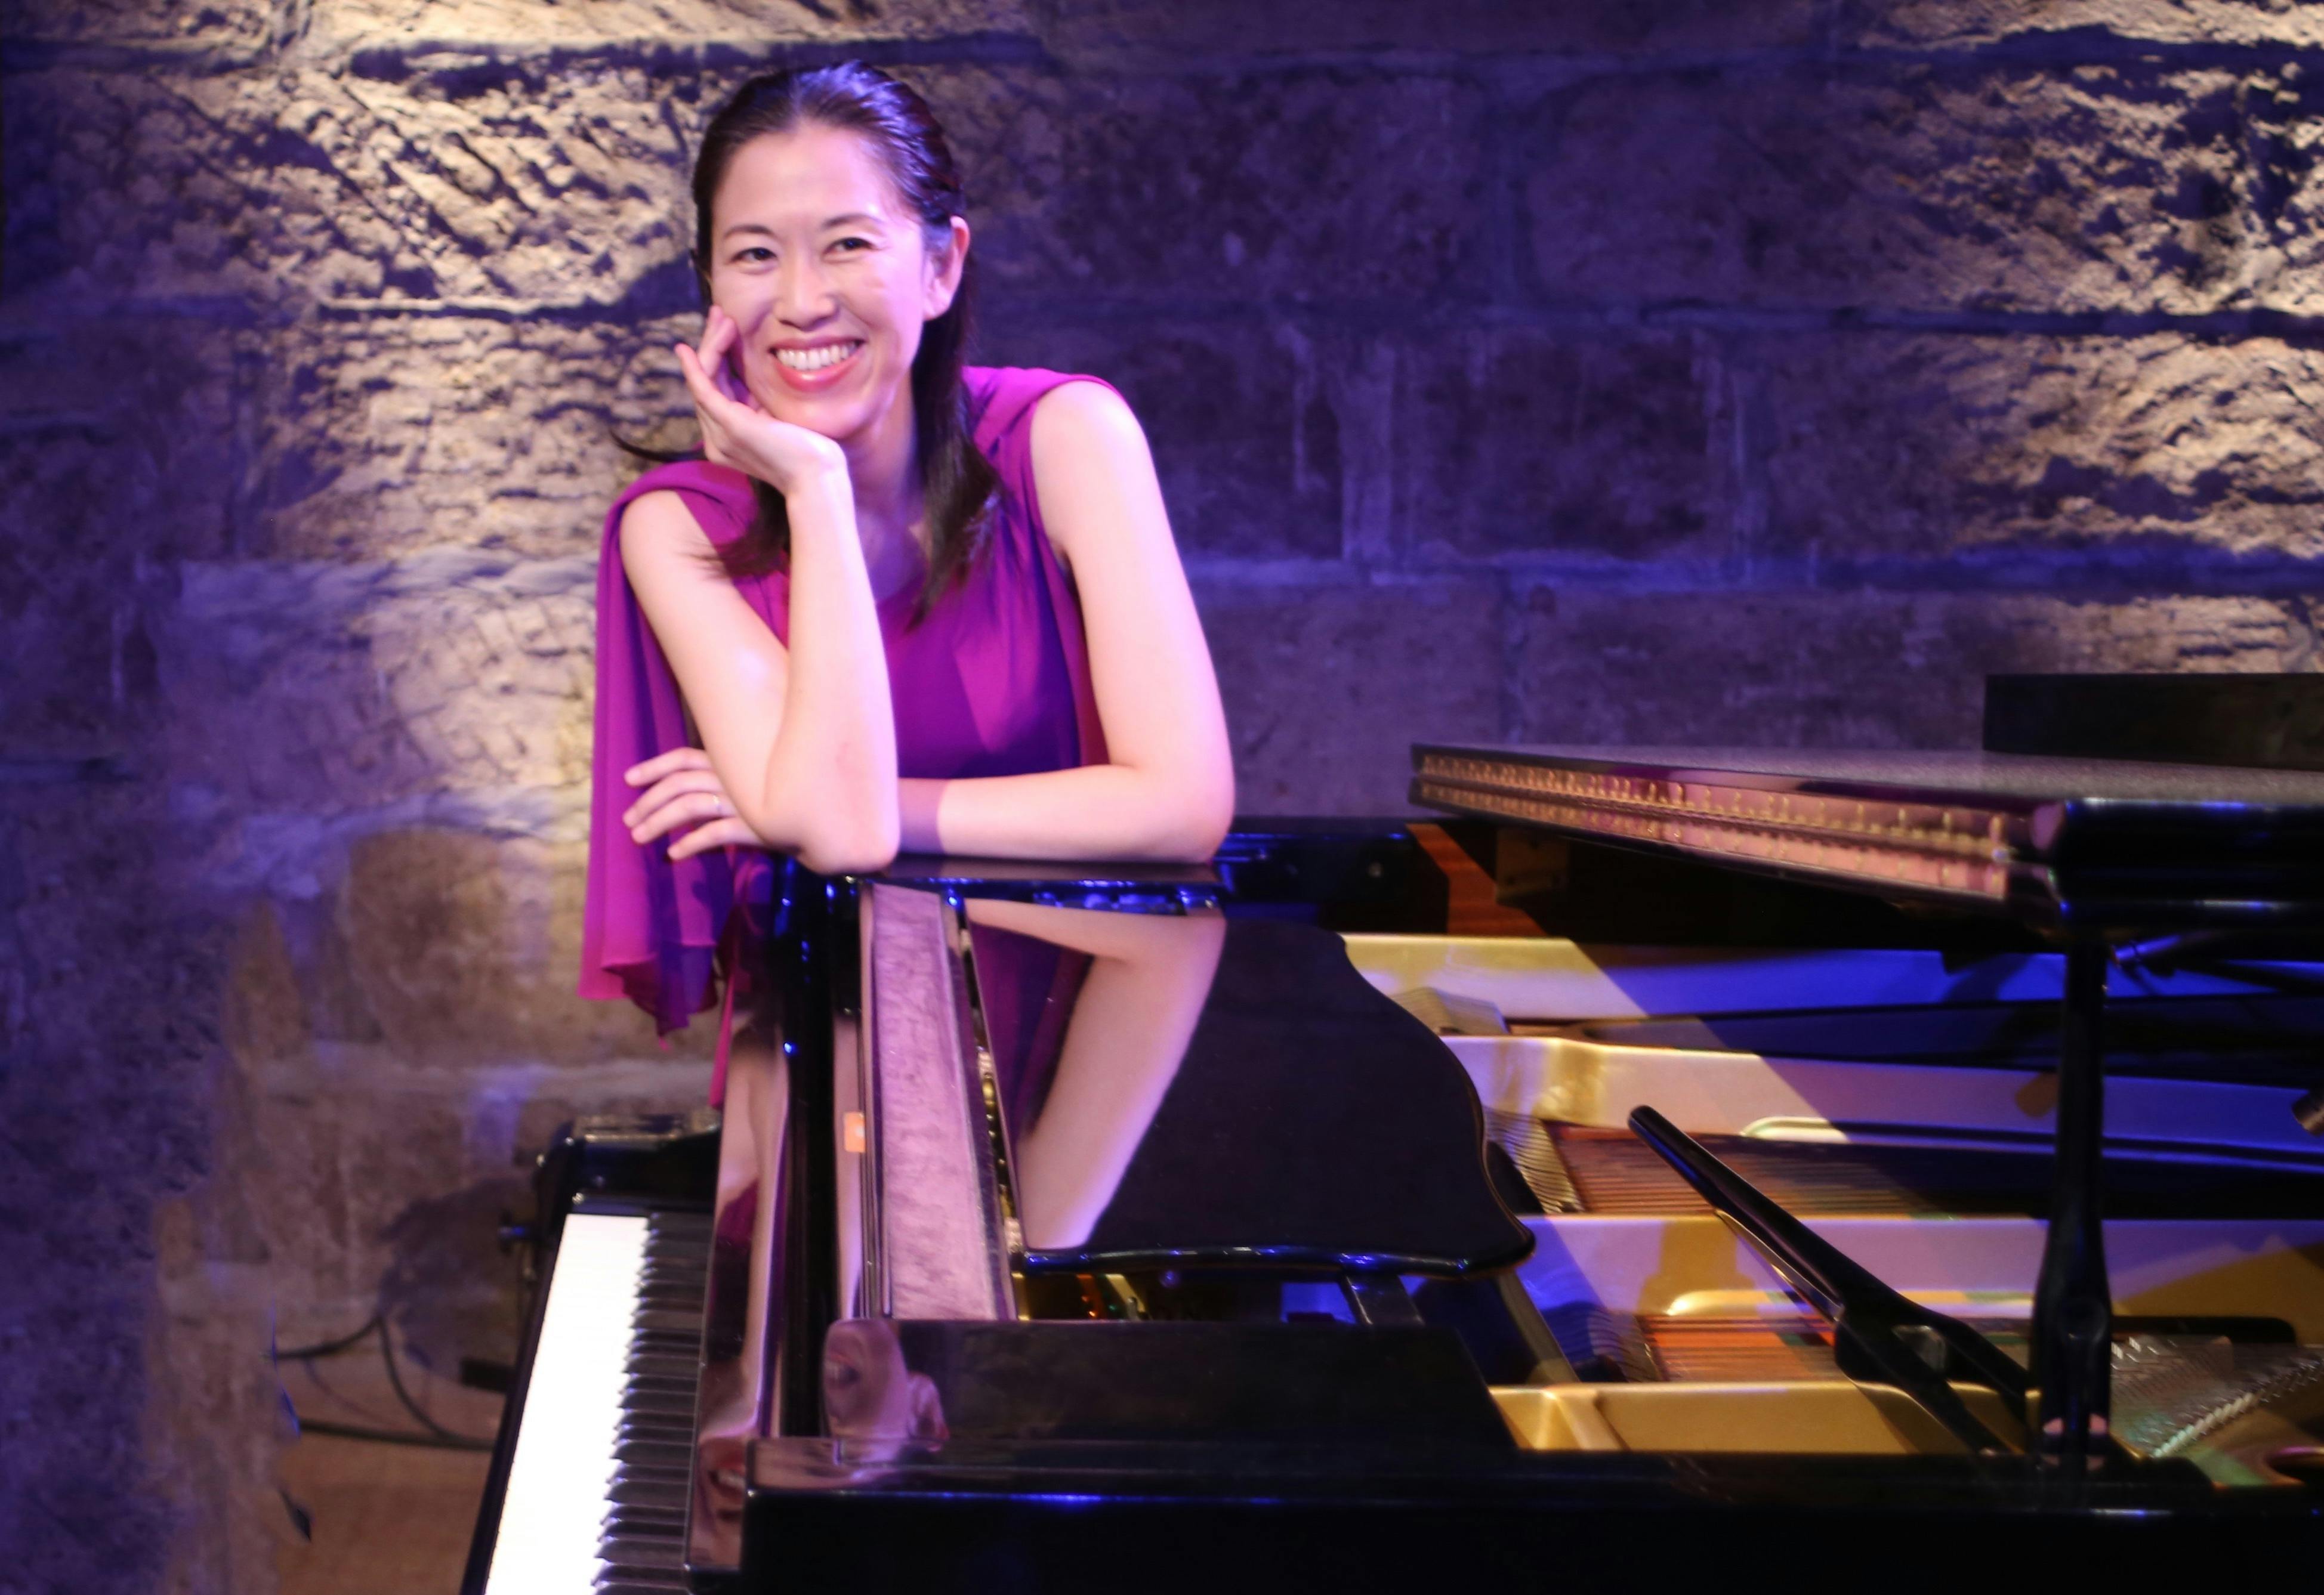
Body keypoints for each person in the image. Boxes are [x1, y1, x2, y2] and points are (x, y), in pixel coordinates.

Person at [579, 62, 1234, 1056]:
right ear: (711, 286)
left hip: (1081, 1018)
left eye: (847, 244)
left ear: (939, 266)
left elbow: (1183, 805)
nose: (802, 301)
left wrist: (814, 805)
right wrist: (815, 489)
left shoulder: (1069, 438)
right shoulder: (675, 525)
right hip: (820, 1048)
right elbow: (843, 836)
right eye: (754, 255)